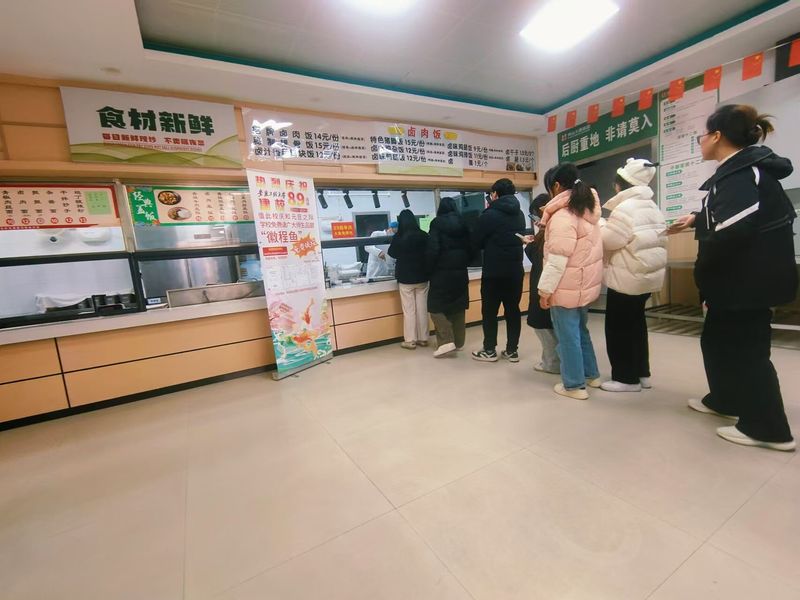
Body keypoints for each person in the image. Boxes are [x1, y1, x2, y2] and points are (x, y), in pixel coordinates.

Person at [668, 105, 796, 451]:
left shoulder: (742, 174)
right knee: (716, 341)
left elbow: (733, 231)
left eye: (702, 135)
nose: (700, 141)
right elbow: (731, 218)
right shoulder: (736, 172)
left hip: (746, 283)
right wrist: (697, 218)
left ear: (717, 136)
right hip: (734, 282)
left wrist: (706, 271)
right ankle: (725, 399)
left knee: (747, 351)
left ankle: (768, 429)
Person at [600, 158, 668, 392]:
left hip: (626, 279)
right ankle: (642, 373)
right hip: (645, 277)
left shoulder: (625, 208)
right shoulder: (652, 207)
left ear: (621, 184)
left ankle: (625, 379)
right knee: (637, 325)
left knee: (618, 328)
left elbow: (609, 241)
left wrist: (600, 224)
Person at [538, 163, 603, 400]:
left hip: (565, 287)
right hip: (584, 285)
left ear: (556, 186)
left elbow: (557, 260)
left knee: (568, 337)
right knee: (581, 332)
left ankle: (574, 385)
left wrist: (545, 291)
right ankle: (591, 375)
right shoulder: (587, 211)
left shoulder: (562, 216)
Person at [471, 178, 526, 363]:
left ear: (495, 194)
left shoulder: (489, 215)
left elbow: (476, 241)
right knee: (513, 310)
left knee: (489, 312)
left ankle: (489, 350)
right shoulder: (519, 214)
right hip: (515, 270)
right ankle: (512, 351)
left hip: (493, 272)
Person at [426, 197, 472, 357]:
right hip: (461, 272)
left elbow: (433, 248)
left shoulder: (436, 223)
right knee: (458, 307)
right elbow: (471, 247)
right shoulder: (464, 223)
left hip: (441, 273)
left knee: (434, 307)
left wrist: (428, 268)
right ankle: (458, 342)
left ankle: (447, 341)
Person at [524, 191, 560, 374]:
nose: (536, 221)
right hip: (551, 285)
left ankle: (552, 363)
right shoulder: (550, 230)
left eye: (535, 216)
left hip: (545, 285)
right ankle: (551, 361)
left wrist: (529, 245)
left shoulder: (552, 231)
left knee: (544, 326)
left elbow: (540, 259)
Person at [388, 210, 430, 350]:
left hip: (405, 278)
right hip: (422, 277)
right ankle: (423, 338)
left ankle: (410, 340)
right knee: (422, 309)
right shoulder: (423, 235)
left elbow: (392, 253)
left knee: (409, 310)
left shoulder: (399, 237)